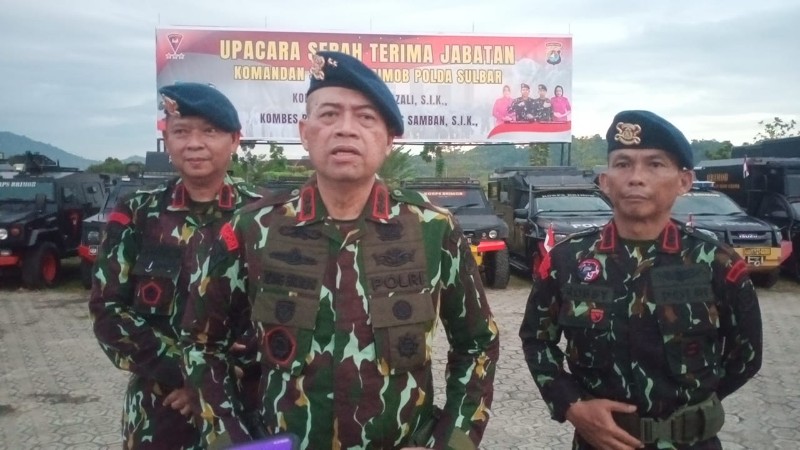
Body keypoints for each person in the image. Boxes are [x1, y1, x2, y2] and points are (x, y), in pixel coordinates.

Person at [181, 51, 500, 449]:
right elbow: (201, 343)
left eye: (365, 117)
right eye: (329, 114)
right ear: (304, 132)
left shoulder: (433, 228)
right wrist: (230, 440)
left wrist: (452, 443)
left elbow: (477, 343)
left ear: (389, 140)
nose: (346, 129)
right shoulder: (253, 228)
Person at [519, 110, 762, 450]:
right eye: (622, 164)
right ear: (605, 181)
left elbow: (745, 357)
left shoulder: (717, 262)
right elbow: (536, 340)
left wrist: (690, 405)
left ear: (684, 181)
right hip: (599, 443)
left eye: (655, 164)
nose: (636, 178)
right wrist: (572, 404)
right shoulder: (567, 260)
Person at [89, 82, 264, 449]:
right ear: (166, 140)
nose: (194, 144)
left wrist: (217, 377)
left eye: (209, 132)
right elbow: (108, 309)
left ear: (235, 140)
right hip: (161, 410)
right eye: (181, 132)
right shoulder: (137, 214)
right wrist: (189, 375)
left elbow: (285, 312)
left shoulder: (264, 218)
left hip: (244, 408)